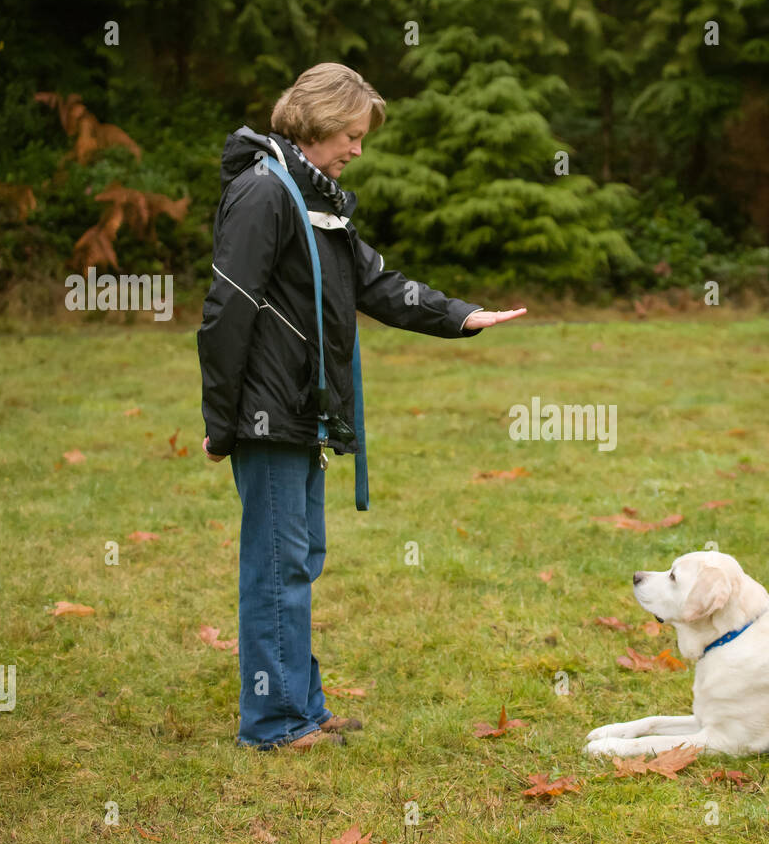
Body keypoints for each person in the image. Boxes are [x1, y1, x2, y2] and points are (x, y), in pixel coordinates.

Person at [196, 63, 525, 750]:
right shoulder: (264, 193)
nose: (356, 149)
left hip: (299, 411)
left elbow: (375, 283)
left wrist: (461, 317)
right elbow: (228, 310)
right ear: (314, 124)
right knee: (277, 566)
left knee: (300, 557)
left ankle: (303, 710)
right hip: (269, 414)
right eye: (350, 134)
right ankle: (275, 723)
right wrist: (222, 423)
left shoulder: (314, 198)